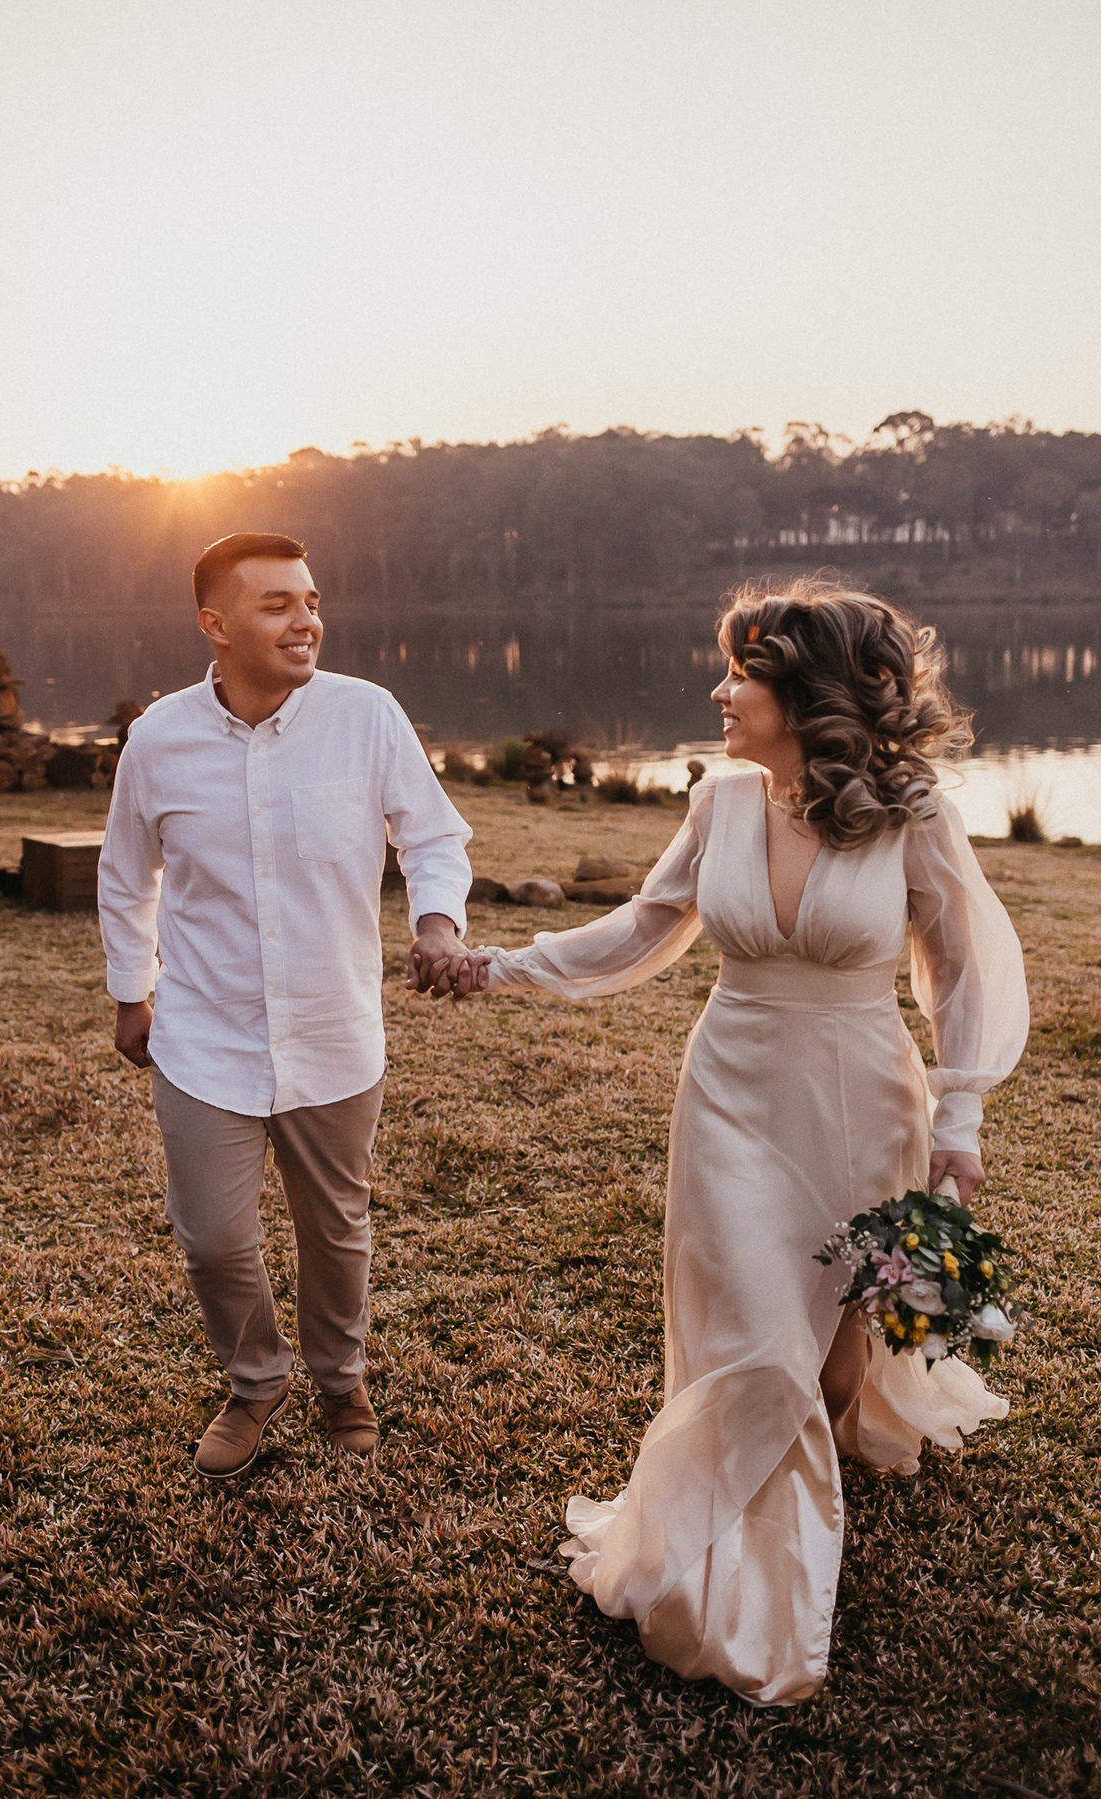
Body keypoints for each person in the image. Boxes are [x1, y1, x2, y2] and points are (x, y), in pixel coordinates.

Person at [470, 580, 1028, 1706]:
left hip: (865, 1099)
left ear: (808, 691)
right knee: (747, 1331)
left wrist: (959, 1122)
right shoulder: (718, 800)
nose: (719, 691)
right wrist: (500, 963)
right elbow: (643, 929)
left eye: (742, 673)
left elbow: (962, 974)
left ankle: (826, 1428)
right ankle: (751, 1562)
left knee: (830, 1346)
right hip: (728, 1092)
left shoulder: (912, 807)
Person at [98, 532, 483, 1480]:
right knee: (213, 1236)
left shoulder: (367, 716)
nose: (305, 619)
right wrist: (128, 995)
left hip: (332, 1027)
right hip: (201, 1033)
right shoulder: (159, 738)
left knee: (336, 1227)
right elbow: (124, 879)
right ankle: (255, 1378)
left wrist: (438, 924)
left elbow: (433, 836)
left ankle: (341, 1380)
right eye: (276, 603)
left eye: (310, 600)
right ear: (214, 624)